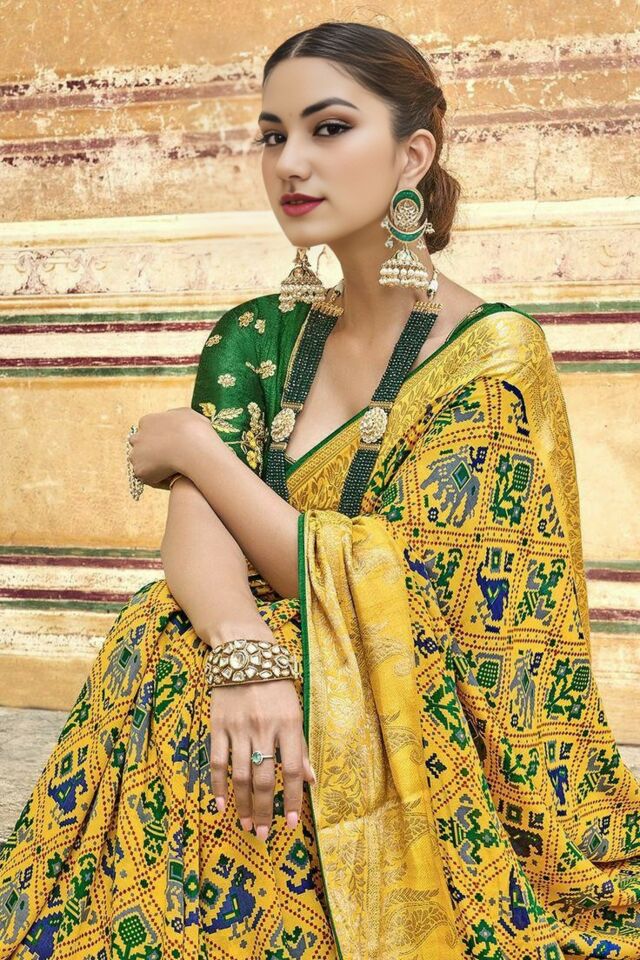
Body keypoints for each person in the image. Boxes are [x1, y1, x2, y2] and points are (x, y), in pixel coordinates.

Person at [1, 18, 639, 960]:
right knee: (172, 644)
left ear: (412, 156)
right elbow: (196, 537)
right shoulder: (256, 335)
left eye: (328, 128)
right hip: (276, 663)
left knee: (273, 691)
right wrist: (244, 654)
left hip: (426, 709)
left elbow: (410, 604)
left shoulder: (490, 357)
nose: (290, 163)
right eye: (272, 135)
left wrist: (199, 449)